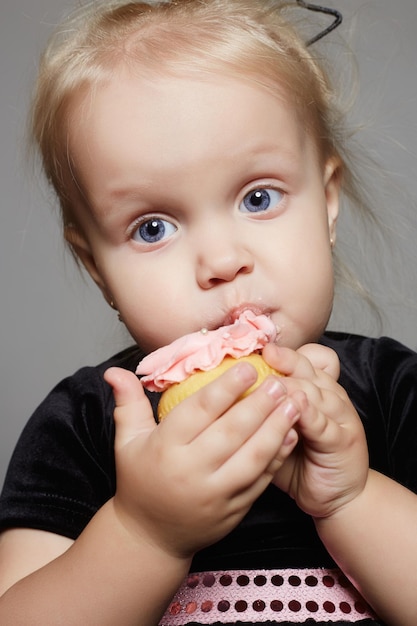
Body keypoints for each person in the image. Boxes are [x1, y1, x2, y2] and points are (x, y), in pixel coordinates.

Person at [0, 0, 416, 624]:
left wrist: (351, 498)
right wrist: (144, 533)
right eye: (152, 228)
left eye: (258, 196)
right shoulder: (91, 424)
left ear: (327, 203)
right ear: (96, 268)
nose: (221, 259)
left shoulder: (392, 391)